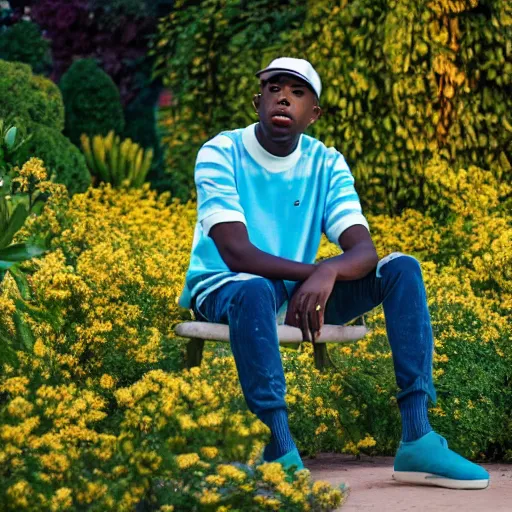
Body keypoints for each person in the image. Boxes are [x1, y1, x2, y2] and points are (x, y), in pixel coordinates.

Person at [179, 57, 489, 490]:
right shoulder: (220, 151)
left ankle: (418, 438)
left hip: (294, 293)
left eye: (298, 91)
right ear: (258, 101)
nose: (284, 96)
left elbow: (363, 250)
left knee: (401, 268)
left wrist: (324, 275)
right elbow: (236, 253)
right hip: (225, 288)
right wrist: (318, 271)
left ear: (314, 113)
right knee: (252, 288)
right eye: (274, 88)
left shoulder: (326, 163)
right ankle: (278, 449)